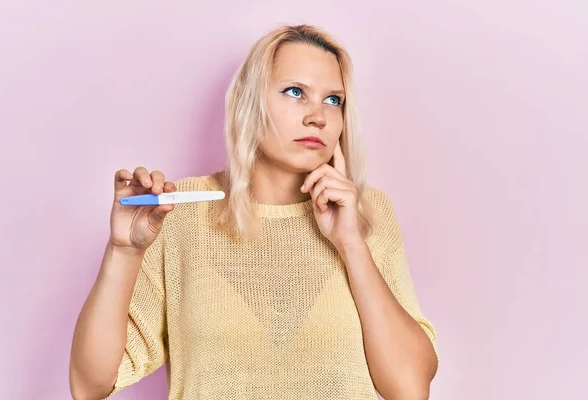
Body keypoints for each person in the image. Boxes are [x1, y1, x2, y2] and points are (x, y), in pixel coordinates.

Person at [69, 24, 438, 400]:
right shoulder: (178, 212)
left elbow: (410, 389)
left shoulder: (367, 213)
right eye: (295, 92)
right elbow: (89, 385)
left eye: (333, 100)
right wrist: (124, 251)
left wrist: (350, 243)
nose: (318, 117)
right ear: (250, 102)